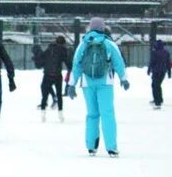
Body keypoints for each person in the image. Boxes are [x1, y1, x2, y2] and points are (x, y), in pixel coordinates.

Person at [66, 17, 130, 157]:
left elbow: (76, 64)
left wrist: (72, 84)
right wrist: (123, 79)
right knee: (107, 114)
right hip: (105, 82)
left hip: (87, 84)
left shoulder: (83, 43)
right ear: (103, 28)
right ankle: (111, 148)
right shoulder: (108, 43)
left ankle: (91, 146)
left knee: (92, 114)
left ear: (90, 28)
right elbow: (118, 62)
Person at [36, 36, 72, 122]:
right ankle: (60, 115)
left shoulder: (49, 49)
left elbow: (42, 59)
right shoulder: (63, 50)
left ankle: (43, 114)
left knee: (44, 95)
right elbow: (68, 62)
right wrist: (71, 68)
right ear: (63, 43)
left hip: (47, 74)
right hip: (57, 75)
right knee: (59, 95)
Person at [147, 40, 171, 110]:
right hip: (163, 71)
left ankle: (157, 102)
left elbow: (152, 62)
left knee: (155, 86)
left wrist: (149, 70)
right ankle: (159, 99)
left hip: (156, 71)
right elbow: (168, 63)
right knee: (158, 85)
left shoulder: (154, 52)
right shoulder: (166, 53)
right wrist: (169, 72)